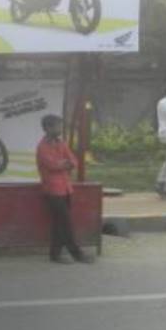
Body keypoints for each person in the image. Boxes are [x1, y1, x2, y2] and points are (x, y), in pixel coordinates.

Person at [36, 113, 94, 264]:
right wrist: (64, 163)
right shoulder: (42, 147)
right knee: (65, 223)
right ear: (48, 128)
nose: (60, 128)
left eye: (60, 125)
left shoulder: (61, 143)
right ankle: (77, 253)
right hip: (53, 190)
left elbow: (73, 161)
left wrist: (64, 163)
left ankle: (55, 255)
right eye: (57, 126)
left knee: (58, 223)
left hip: (66, 188)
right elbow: (53, 166)